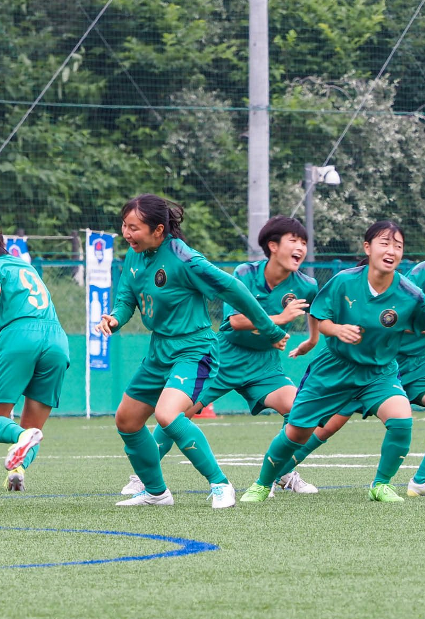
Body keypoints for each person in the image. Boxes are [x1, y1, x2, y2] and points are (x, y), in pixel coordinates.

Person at [264, 222, 425, 498]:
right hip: (376, 362)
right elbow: (389, 314)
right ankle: (273, 477)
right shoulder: (419, 276)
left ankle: (422, 480)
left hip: (417, 365)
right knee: (322, 429)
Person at [102, 195, 288, 509]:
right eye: (124, 225)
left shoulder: (184, 258)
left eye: (133, 227)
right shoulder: (133, 257)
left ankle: (220, 484)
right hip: (159, 351)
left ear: (158, 230)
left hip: (194, 350)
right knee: (127, 421)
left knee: (167, 414)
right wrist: (115, 318)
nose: (126, 233)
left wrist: (269, 329)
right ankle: (156, 492)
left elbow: (233, 289)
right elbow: (126, 299)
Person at [0, 224, 69, 492]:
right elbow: (10, 287)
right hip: (56, 340)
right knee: (34, 427)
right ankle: (17, 470)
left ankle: (22, 436)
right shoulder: (22, 266)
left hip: (20, 337)